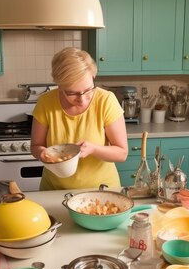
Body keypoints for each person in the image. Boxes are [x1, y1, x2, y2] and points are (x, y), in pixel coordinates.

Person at [30, 47, 128, 190]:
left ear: (93, 77)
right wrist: (42, 153)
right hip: (54, 189)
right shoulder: (46, 102)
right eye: (72, 93)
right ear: (59, 85)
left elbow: (122, 153)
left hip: (101, 190)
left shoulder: (106, 101)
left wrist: (93, 149)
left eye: (88, 89)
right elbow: (35, 147)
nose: (82, 99)